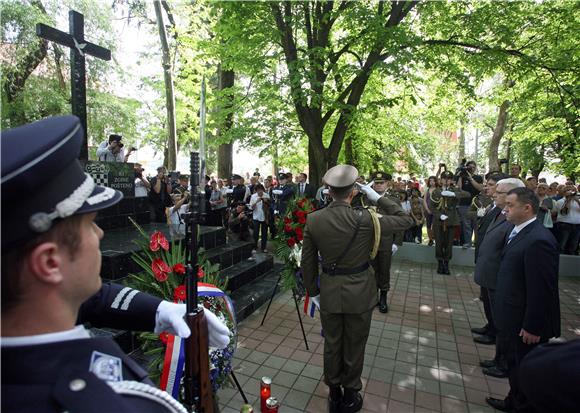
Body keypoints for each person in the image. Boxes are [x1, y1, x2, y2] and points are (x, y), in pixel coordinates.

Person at [1, 116, 230, 413]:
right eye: (89, 225)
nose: (100, 234)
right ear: (49, 262)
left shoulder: (29, 306)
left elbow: (94, 301)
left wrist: (161, 311)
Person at [302, 165, 414, 413]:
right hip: (360, 292)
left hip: (329, 291)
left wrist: (314, 292)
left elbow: (307, 262)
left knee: (332, 343)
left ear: (329, 191)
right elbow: (407, 220)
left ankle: (333, 391)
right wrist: (378, 197)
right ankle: (350, 393)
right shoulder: (367, 219)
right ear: (354, 191)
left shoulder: (314, 219)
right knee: (355, 343)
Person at [486, 188, 560, 412]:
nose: (505, 208)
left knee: (525, 371)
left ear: (527, 208)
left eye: (510, 205)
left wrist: (532, 326)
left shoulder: (539, 240)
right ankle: (512, 400)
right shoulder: (519, 231)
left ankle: (521, 405)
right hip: (514, 317)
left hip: (526, 326)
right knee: (515, 366)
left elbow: (541, 289)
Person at [473, 177, 524, 376]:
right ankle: (498, 354)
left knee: (504, 324)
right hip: (490, 272)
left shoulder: (513, 218)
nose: (494, 193)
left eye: (500, 192)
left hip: (499, 277)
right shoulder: (499, 211)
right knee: (495, 317)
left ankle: (503, 362)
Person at [361, 172, 403, 313]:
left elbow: (400, 221)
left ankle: (383, 298)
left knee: (384, 269)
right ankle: (373, 297)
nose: (379, 185)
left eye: (381, 182)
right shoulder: (365, 198)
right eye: (376, 182)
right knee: (370, 270)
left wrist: (396, 242)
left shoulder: (393, 199)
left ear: (387, 184)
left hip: (385, 240)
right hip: (368, 241)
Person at [431, 170, 470, 274]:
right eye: (444, 179)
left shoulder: (455, 190)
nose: (446, 181)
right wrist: (439, 215)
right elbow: (432, 207)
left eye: (449, 179)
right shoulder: (436, 191)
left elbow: (467, 194)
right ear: (441, 180)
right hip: (439, 222)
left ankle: (446, 264)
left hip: (452, 220)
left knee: (449, 244)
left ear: (452, 180)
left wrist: (453, 194)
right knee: (439, 243)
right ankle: (439, 263)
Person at [456, 160, 484, 248]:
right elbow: (459, 189)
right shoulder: (462, 177)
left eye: (473, 167)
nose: (471, 168)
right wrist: (460, 176)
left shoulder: (478, 177)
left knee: (477, 225)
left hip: (476, 205)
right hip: (464, 204)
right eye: (469, 167)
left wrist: (470, 178)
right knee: (466, 225)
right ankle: (468, 242)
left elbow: (480, 188)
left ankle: (477, 243)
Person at [553, 184, 580, 255]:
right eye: (568, 190)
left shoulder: (578, 201)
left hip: (577, 226)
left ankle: (571, 263)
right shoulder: (560, 201)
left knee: (573, 246)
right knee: (562, 246)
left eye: (572, 190)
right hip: (564, 226)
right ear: (564, 192)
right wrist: (568, 200)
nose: (570, 192)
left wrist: (577, 200)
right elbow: (565, 212)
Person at [249, 183, 270, 253]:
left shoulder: (266, 195)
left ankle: (263, 247)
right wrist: (256, 202)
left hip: (265, 217)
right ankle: (255, 246)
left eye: (261, 190)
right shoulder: (253, 196)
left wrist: (266, 201)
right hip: (256, 216)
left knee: (264, 233)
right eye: (258, 190)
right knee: (256, 233)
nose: (260, 191)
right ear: (256, 190)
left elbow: (270, 206)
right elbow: (251, 207)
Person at [422, 176, 438, 246]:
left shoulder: (438, 190)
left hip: (436, 211)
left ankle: (436, 238)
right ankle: (430, 239)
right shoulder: (427, 190)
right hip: (428, 210)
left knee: (435, 225)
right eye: (430, 180)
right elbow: (424, 201)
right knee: (428, 225)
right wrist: (427, 209)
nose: (432, 182)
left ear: (436, 181)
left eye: (433, 180)